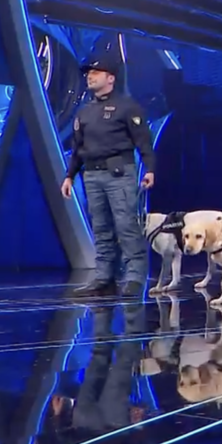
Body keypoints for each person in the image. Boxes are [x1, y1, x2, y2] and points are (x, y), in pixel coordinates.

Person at [62, 56, 156, 297]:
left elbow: (143, 141)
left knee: (126, 225)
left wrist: (149, 169)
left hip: (119, 174)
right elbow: (78, 147)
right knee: (101, 227)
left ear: (111, 78)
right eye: (88, 73)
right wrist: (69, 176)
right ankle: (104, 277)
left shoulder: (127, 107)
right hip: (92, 175)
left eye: (96, 72)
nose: (90, 77)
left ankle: (135, 276)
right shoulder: (85, 112)